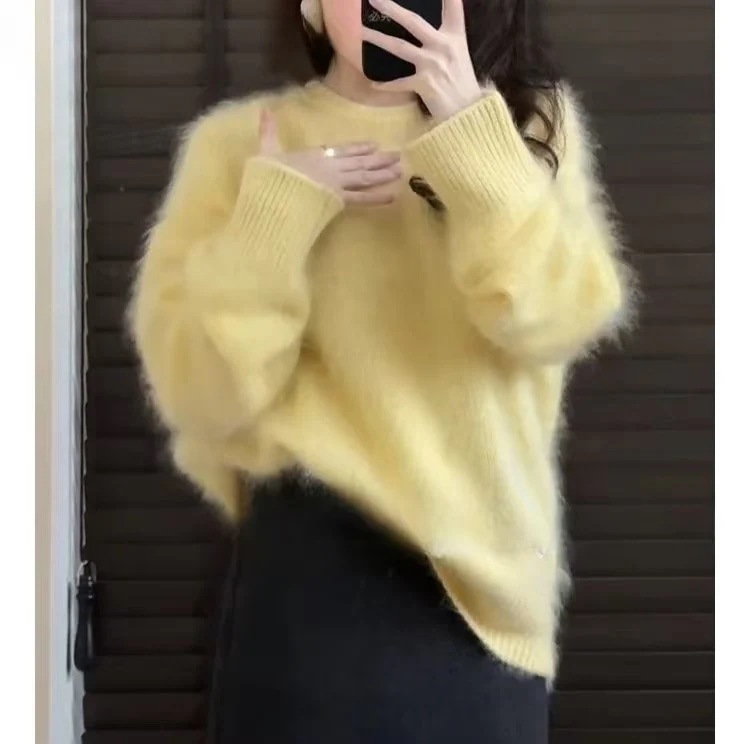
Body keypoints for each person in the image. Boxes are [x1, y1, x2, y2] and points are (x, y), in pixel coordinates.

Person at [129, 0, 634, 741]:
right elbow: (202, 397)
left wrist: (473, 133)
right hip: (307, 581)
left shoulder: (529, 122)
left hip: (486, 599)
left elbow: (556, 320)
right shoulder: (235, 145)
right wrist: (273, 218)